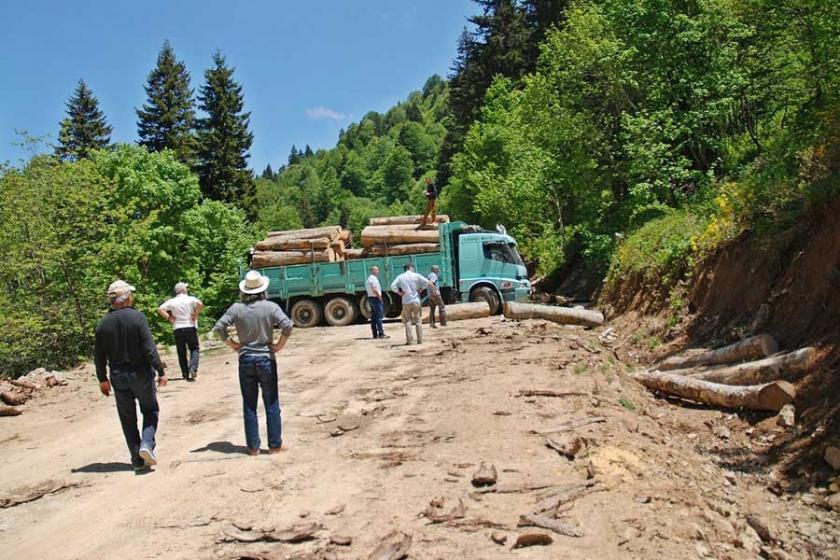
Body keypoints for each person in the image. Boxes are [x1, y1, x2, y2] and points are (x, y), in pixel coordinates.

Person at [212, 270, 293, 456]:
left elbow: (218, 327)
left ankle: (253, 447)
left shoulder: (236, 308)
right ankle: (274, 446)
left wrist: (233, 345)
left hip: (246, 359)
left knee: (249, 404)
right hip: (266, 358)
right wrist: (279, 346)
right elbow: (287, 325)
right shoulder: (271, 307)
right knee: (271, 402)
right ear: (262, 289)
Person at [94, 280, 167, 473]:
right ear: (127, 297)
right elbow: (149, 348)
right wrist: (160, 370)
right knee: (150, 410)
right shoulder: (137, 318)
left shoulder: (103, 323)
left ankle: (136, 459)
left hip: (117, 375)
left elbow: (99, 355)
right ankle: (146, 444)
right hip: (141, 373)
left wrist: (102, 379)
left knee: (127, 418)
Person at [158, 282, 203, 382]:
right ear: (183, 290)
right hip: (190, 326)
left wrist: (168, 317)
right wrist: (196, 314)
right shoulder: (190, 299)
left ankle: (185, 373)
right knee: (194, 348)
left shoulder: (172, 301)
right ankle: (193, 368)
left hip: (177, 327)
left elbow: (160, 309)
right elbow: (200, 304)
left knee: (181, 352)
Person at [391, 263, 430, 345]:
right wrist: (421, 289)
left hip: (406, 301)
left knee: (408, 321)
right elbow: (427, 283)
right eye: (413, 267)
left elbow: (393, 286)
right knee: (418, 321)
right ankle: (420, 340)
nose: (414, 269)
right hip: (416, 300)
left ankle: (410, 341)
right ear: (410, 268)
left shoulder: (400, 276)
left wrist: (399, 292)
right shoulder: (416, 275)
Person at [365, 266, 388, 339]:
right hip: (375, 298)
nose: (378, 271)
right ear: (372, 271)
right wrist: (379, 297)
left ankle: (374, 334)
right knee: (379, 316)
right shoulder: (373, 279)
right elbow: (374, 289)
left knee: (374, 317)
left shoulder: (368, 279)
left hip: (371, 297)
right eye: (376, 270)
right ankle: (381, 334)